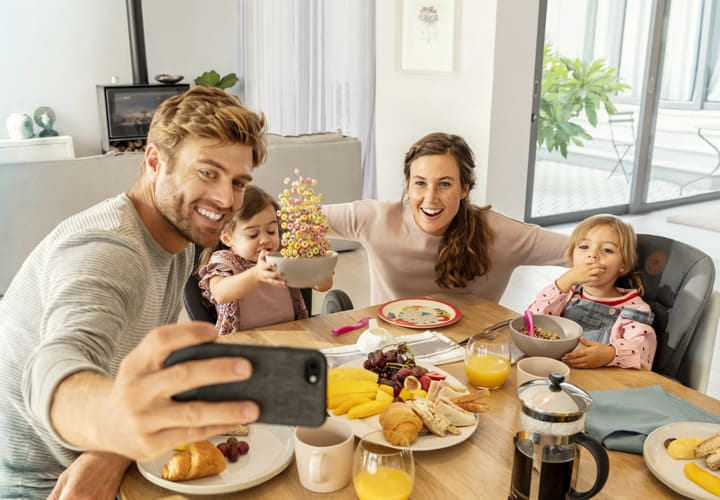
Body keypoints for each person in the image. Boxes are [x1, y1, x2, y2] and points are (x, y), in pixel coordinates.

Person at [0, 87, 268, 499]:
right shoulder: (109, 249)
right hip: (41, 482)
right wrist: (113, 426)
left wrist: (113, 449)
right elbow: (53, 365)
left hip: (94, 454)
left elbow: (136, 363)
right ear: (155, 161)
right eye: (208, 173)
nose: (226, 199)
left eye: (237, 182)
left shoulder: (180, 238)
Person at [323, 132, 568, 305]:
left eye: (444, 184)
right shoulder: (374, 219)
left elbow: (582, 250)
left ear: (465, 189)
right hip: (391, 354)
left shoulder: (500, 233)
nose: (430, 198)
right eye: (420, 183)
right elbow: (292, 220)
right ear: (407, 185)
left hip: (469, 357)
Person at [527, 214, 656, 370]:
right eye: (584, 247)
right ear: (572, 257)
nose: (593, 255)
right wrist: (563, 283)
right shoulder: (566, 293)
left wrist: (610, 354)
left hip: (600, 382)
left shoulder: (634, 308)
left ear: (623, 265)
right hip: (553, 370)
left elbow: (642, 352)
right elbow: (532, 324)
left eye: (607, 250)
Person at [197, 185, 332, 334]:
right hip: (242, 342)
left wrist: (321, 270)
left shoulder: (284, 255)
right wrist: (256, 275)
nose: (265, 239)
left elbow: (322, 286)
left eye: (271, 231)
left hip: (291, 333)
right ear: (228, 238)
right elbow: (220, 293)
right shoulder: (224, 260)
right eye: (253, 234)